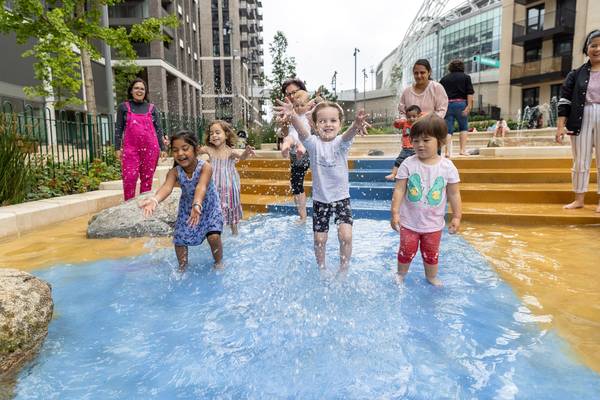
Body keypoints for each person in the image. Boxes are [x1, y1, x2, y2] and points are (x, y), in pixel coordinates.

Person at [274, 99, 370, 275]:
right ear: (315, 124)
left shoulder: (341, 142)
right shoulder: (313, 143)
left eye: (333, 120)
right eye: (323, 121)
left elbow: (348, 134)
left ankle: (343, 269)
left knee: (346, 236)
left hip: (341, 198)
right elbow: (302, 132)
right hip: (320, 200)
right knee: (319, 239)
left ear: (340, 124)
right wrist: (293, 115)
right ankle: (322, 268)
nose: (328, 124)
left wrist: (356, 125)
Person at [390, 113, 462, 286]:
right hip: (409, 222)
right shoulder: (408, 163)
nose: (420, 145)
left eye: (426, 140)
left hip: (433, 224)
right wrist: (395, 212)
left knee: (431, 252)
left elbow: (454, 193)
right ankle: (401, 273)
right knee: (406, 250)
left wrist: (457, 216)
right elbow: (399, 189)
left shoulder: (447, 167)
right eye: (415, 141)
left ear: (440, 141)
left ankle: (431, 276)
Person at [139, 130, 224, 271]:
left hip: (208, 207)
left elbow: (201, 187)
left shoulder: (205, 167)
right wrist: (154, 199)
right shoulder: (174, 172)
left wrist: (197, 204)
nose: (180, 154)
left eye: (185, 149)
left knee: (214, 236)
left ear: (196, 149)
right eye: (175, 150)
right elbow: (166, 187)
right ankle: (182, 267)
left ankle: (219, 262)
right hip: (187, 210)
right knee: (179, 239)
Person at [556, 30, 600, 213]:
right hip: (580, 118)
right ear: (587, 48)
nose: (597, 48)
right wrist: (560, 127)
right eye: (593, 45)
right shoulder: (575, 74)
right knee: (580, 160)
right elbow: (564, 101)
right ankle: (579, 199)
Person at [198, 120, 256, 234]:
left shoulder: (230, 151)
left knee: (230, 207)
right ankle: (211, 232)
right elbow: (194, 151)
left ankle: (235, 232)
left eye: (217, 132)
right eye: (211, 133)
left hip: (229, 186)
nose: (214, 135)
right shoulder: (208, 149)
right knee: (212, 207)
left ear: (226, 135)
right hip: (213, 186)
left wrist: (247, 152)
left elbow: (242, 157)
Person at [115, 78, 167, 201]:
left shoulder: (152, 108)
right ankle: (128, 206)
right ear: (131, 91)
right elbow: (118, 128)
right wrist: (117, 147)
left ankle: (144, 207)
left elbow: (159, 129)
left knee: (147, 179)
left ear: (145, 92)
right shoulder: (123, 107)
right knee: (129, 178)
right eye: (136, 88)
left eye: (142, 89)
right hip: (130, 149)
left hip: (150, 149)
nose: (139, 91)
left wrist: (163, 148)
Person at [281, 90, 312, 222]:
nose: (299, 108)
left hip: (303, 144)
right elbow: (284, 127)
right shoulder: (292, 115)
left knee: (297, 183)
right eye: (296, 106)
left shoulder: (309, 116)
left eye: (302, 105)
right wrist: (283, 119)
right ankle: (285, 148)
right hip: (294, 142)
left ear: (308, 105)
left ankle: (303, 216)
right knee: (288, 139)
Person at [440, 59, 474, 157]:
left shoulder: (444, 79)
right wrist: (469, 106)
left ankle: (447, 152)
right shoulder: (466, 77)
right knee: (463, 127)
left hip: (448, 105)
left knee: (448, 129)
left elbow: (440, 94)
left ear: (450, 67)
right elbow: (470, 92)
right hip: (461, 104)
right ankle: (462, 150)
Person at [385, 105, 422, 181]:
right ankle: (393, 174)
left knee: (417, 162)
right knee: (399, 160)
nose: (411, 118)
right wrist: (396, 121)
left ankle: (418, 175)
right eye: (409, 117)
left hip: (415, 149)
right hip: (405, 149)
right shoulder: (405, 123)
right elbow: (396, 125)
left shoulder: (419, 124)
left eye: (414, 116)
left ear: (418, 116)